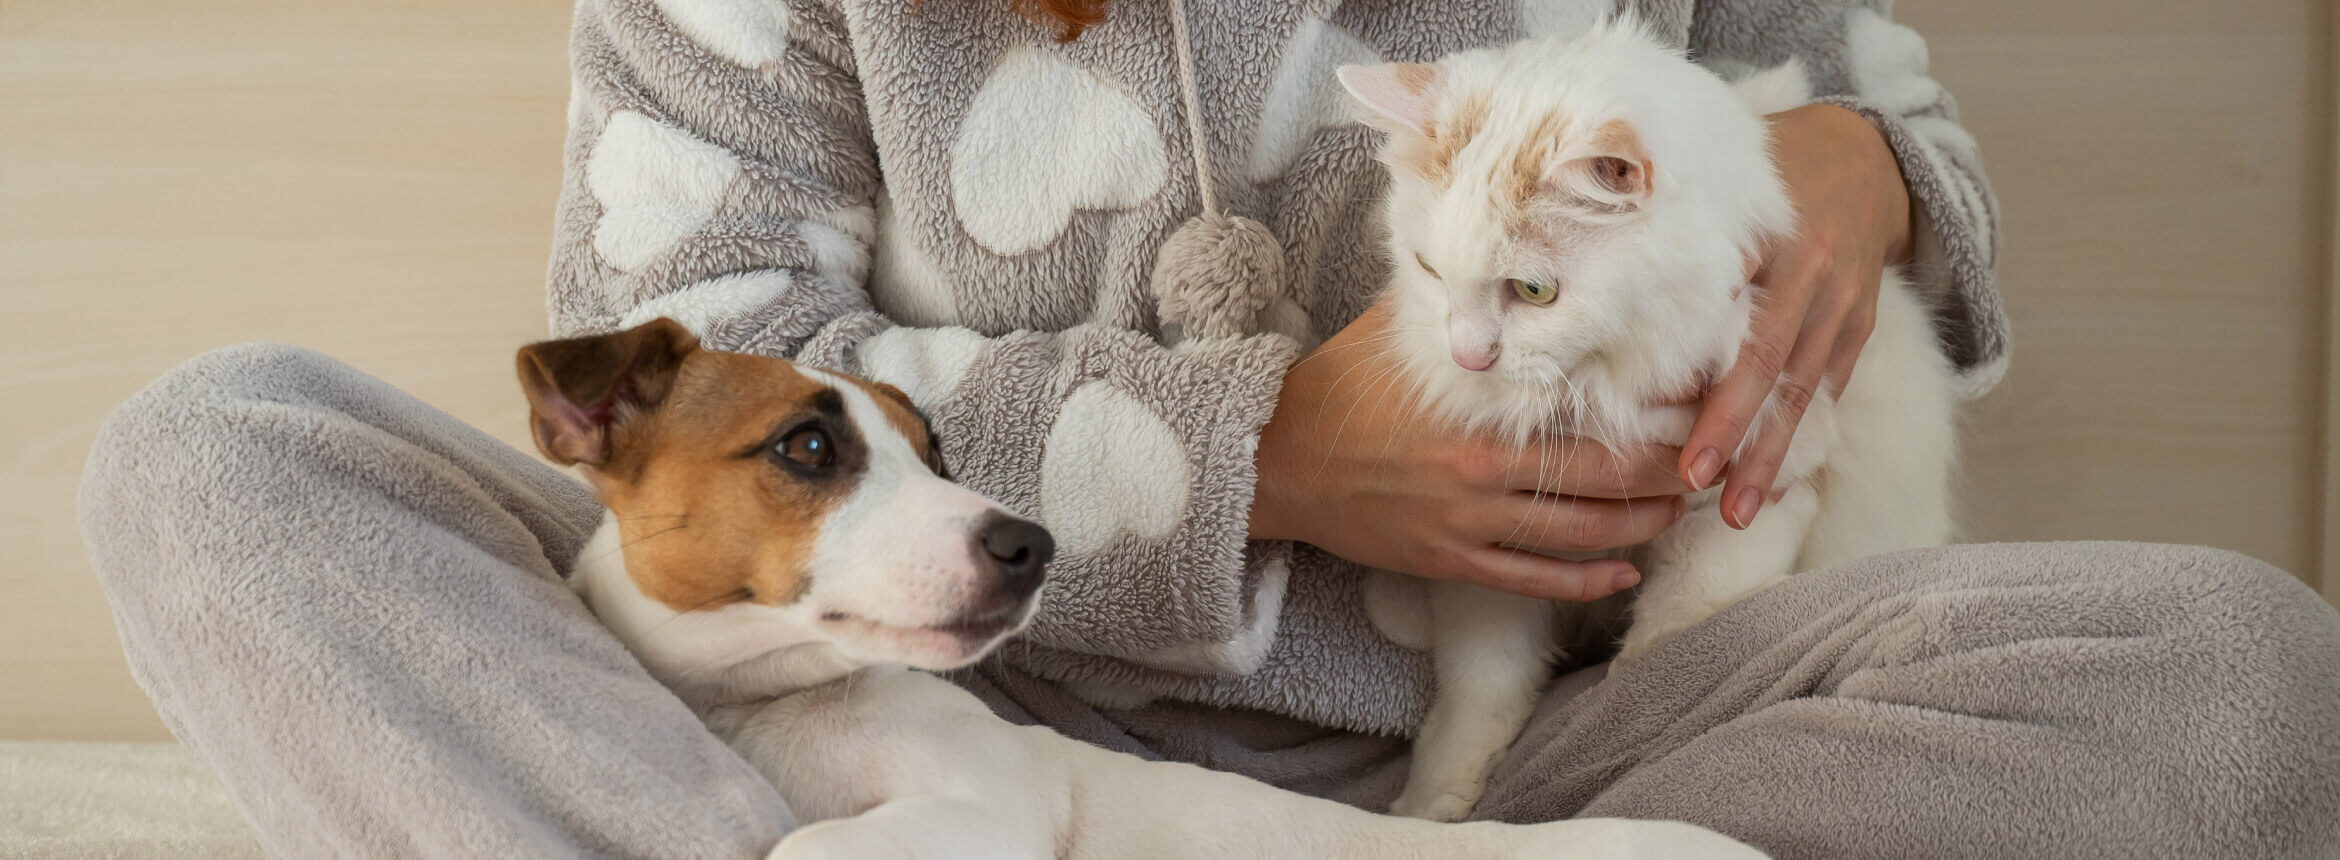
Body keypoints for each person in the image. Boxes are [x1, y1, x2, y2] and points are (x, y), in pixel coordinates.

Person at [79, 0, 2340, 856]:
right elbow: (687, 355)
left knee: (2239, 677)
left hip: (1534, 740)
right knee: (227, 461)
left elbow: (1875, 113)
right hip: (875, 716)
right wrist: (1260, 445)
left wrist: (1859, 172)